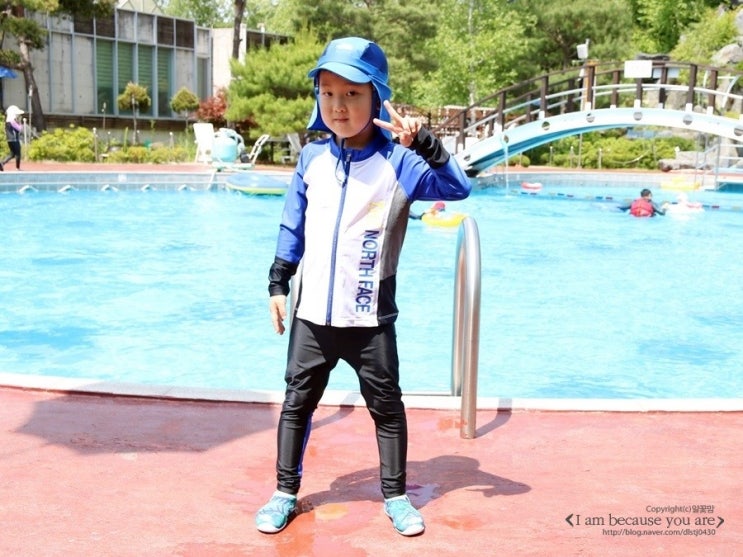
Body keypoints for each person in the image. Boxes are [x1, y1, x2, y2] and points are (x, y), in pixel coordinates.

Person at [256, 37, 471, 537]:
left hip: (370, 318)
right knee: (296, 404)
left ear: (377, 96)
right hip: (312, 316)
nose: (339, 105)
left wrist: (425, 143)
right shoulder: (311, 158)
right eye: (328, 93)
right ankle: (285, 491)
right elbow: (292, 227)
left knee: (387, 407)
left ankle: (395, 496)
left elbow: (458, 187)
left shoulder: (400, 163)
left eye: (352, 93)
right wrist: (277, 283)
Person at [1, 105, 24, 171]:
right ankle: (18, 168)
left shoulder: (7, 122)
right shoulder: (12, 122)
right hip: (14, 139)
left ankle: (2, 163)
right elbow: (20, 129)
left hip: (9, 140)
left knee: (12, 154)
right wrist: (20, 122)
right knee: (18, 153)